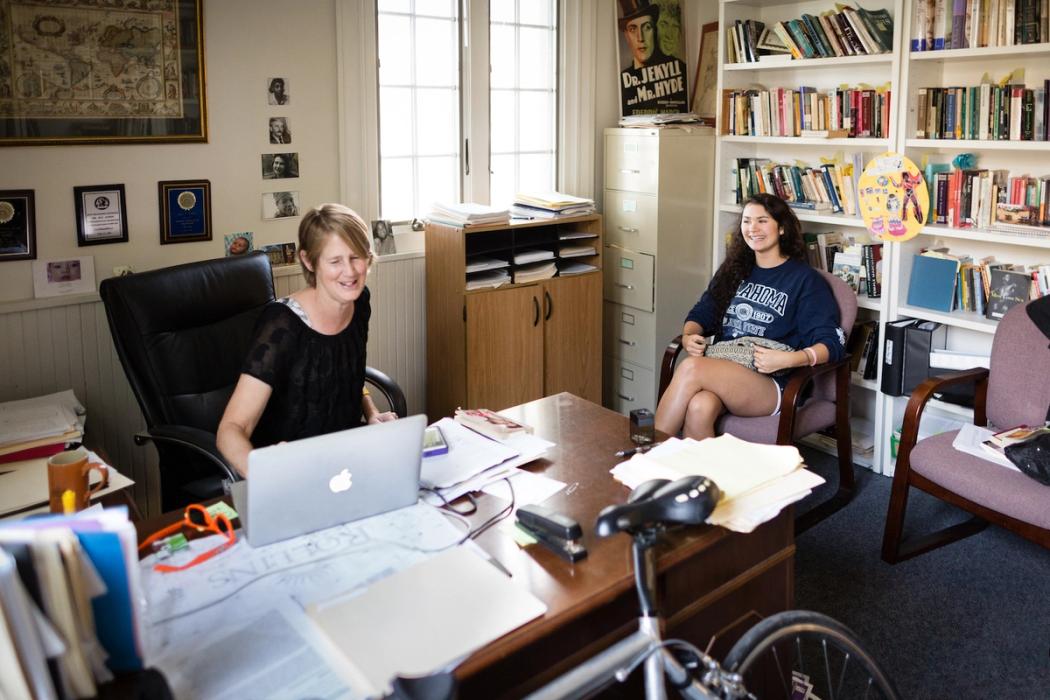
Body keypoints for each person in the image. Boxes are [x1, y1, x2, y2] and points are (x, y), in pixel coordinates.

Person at [217, 203, 396, 477]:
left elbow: (345, 374)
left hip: (343, 464)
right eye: (335, 261)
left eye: (356, 257)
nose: (349, 272)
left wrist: (371, 412)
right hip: (290, 469)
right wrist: (267, 473)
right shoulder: (283, 324)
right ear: (309, 261)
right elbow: (231, 429)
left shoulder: (359, 302)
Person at [654, 193, 846, 440]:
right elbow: (703, 312)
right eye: (746, 221)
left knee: (691, 368)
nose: (752, 228)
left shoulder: (805, 281)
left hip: (771, 383)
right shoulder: (734, 270)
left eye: (762, 221)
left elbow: (832, 343)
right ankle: (705, 478)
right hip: (725, 367)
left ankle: (649, 453)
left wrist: (789, 360)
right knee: (699, 407)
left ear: (782, 228)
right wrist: (690, 334)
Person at [618, 0, 686, 114]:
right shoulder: (622, 81)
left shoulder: (681, 70)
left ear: (654, 31)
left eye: (647, 27)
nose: (641, 38)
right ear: (626, 35)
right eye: (633, 29)